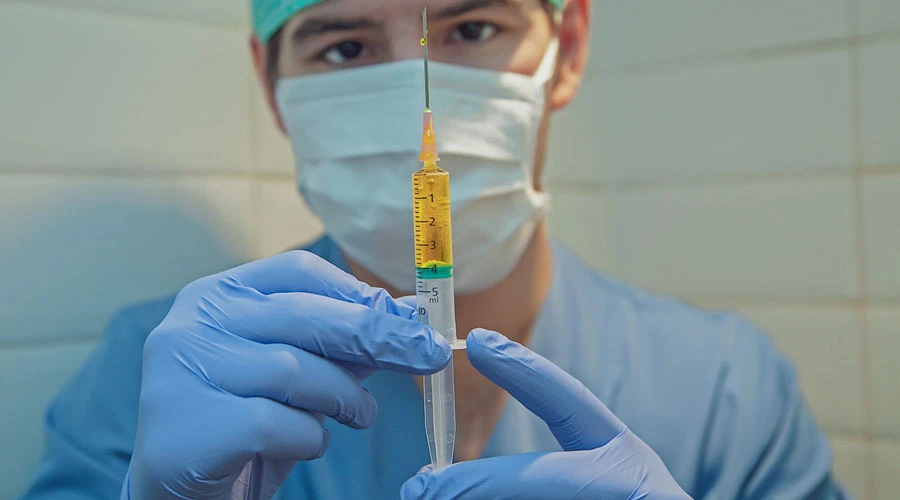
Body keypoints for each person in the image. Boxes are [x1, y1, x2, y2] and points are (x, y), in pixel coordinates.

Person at [18, 0, 848, 498]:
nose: (413, 87)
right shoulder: (167, 375)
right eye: (345, 48)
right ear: (271, 85)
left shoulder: (726, 392)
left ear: (568, 46)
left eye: (473, 26)